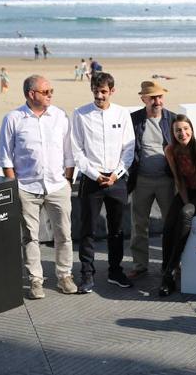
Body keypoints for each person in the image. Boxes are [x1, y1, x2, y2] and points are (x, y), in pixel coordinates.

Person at [0, 75, 77, 299]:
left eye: (51, 90)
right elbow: (5, 157)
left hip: (57, 186)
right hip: (26, 187)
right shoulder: (13, 118)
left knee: (64, 234)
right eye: (45, 91)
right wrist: (14, 185)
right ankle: (35, 280)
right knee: (31, 237)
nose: (50, 94)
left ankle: (64, 276)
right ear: (31, 94)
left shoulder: (60, 116)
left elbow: (69, 152)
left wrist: (68, 181)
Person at [71, 72, 135, 293]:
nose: (99, 95)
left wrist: (117, 173)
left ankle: (115, 271)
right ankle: (87, 275)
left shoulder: (122, 114)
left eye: (103, 92)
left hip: (117, 180)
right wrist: (94, 174)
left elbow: (129, 148)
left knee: (116, 230)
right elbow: (76, 150)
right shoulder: (80, 114)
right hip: (91, 179)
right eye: (96, 91)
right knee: (87, 229)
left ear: (112, 91)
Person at [159, 114, 196, 296]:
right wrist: (186, 201)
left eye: (185, 129)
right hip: (188, 191)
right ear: (173, 133)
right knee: (169, 224)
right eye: (178, 130)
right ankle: (167, 271)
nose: (182, 133)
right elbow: (179, 180)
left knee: (186, 213)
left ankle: (171, 269)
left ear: (191, 130)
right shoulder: (171, 150)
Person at [127, 81, 177, 280]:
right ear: (143, 99)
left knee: (171, 225)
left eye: (159, 97)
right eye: (152, 97)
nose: (157, 101)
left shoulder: (173, 119)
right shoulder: (134, 120)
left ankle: (172, 265)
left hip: (167, 181)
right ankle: (140, 265)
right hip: (141, 181)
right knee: (139, 225)